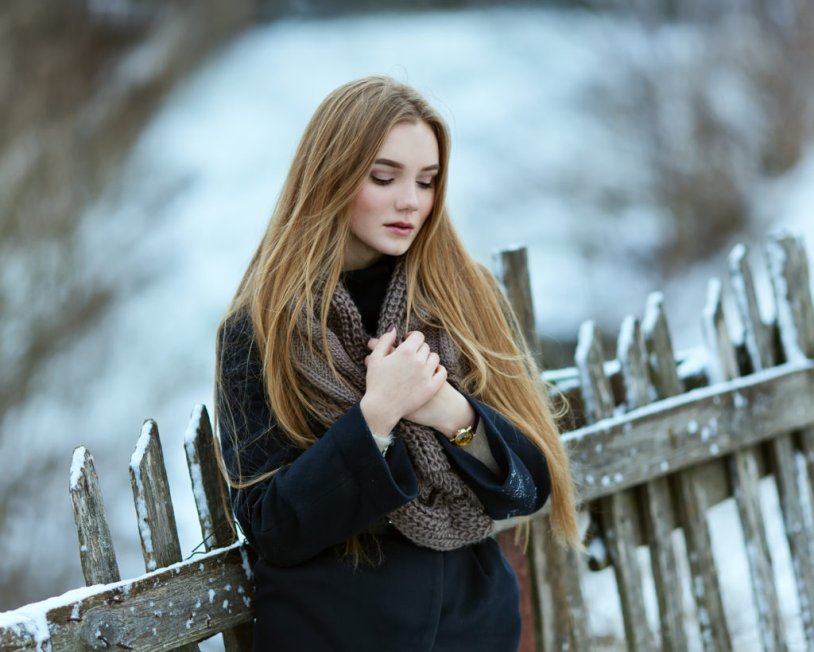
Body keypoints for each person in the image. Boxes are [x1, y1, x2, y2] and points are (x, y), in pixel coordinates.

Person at [215, 75, 580, 652]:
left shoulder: (466, 297)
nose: (410, 200)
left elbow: (529, 485)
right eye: (384, 178)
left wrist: (450, 410)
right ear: (331, 175)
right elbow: (272, 527)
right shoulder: (262, 329)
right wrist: (377, 415)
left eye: (427, 181)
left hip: (473, 630)